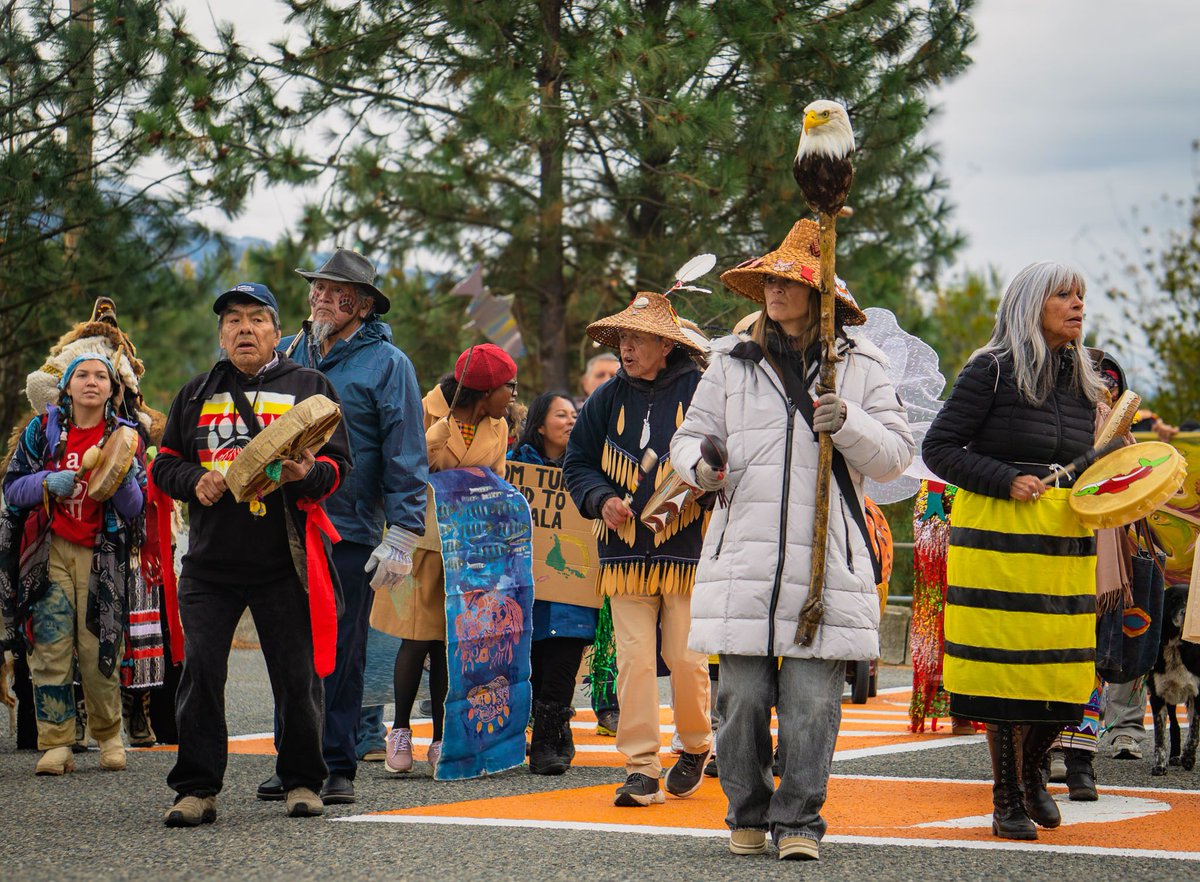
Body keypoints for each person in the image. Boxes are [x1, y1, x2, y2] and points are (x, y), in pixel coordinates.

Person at [671, 219, 914, 860]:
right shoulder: (729, 360)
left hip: (827, 564)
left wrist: (849, 420)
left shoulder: (862, 364)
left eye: (789, 282)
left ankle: (800, 822)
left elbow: (895, 457)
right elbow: (688, 439)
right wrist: (701, 467)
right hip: (741, 558)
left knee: (811, 705)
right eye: (769, 282)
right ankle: (747, 813)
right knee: (742, 699)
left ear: (820, 293)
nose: (774, 292)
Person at [152, 283, 352, 826]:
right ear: (221, 334)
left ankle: (303, 781)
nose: (244, 328)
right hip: (210, 565)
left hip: (282, 562)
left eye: (257, 319)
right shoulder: (195, 392)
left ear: (276, 332)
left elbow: (338, 466)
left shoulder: (309, 386)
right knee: (200, 674)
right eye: (233, 320)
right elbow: (164, 464)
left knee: (296, 678)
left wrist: (306, 474)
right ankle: (196, 789)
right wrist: (194, 481)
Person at [923, 260, 1104, 841]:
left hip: (1062, 542)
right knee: (1003, 672)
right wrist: (1006, 479)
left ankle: (1031, 773)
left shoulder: (1086, 379)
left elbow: (1084, 465)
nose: (1077, 304)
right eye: (1063, 295)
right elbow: (939, 449)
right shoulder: (991, 369)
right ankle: (1006, 797)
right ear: (1031, 304)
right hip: (997, 538)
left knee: (1064, 671)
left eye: (1080, 295)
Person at [254, 248, 428, 806]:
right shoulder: (285, 353)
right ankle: (292, 763)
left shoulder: (389, 364)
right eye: (318, 288)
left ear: (363, 305)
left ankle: (335, 765)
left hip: (348, 528)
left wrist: (403, 533)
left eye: (336, 291)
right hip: (282, 525)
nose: (321, 298)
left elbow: (405, 452)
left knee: (341, 652)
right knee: (288, 650)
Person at [564, 291, 712, 808]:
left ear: (666, 345)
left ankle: (695, 745)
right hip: (623, 553)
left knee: (685, 657)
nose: (626, 349)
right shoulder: (605, 399)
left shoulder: (701, 391)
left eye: (638, 339)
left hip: (686, 547)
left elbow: (726, 455)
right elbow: (578, 462)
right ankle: (641, 768)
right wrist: (600, 499)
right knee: (633, 662)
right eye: (623, 339)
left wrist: (703, 481)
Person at [2, 355, 147, 776]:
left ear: (111, 389)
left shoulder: (124, 437)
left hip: (100, 555)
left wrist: (119, 478)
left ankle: (109, 736)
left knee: (98, 647)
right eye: (81, 375)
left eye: (101, 376)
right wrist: (46, 482)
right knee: (49, 647)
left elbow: (135, 507)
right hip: (49, 551)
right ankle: (56, 743)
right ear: (66, 386)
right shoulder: (42, 431)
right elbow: (13, 488)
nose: (91, 382)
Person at [384, 343, 517, 775]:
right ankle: (400, 729)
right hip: (423, 541)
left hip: (468, 547)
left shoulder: (498, 425)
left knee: (451, 642)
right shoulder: (425, 412)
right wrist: (440, 431)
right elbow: (407, 468)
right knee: (416, 636)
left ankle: (443, 737)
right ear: (485, 390)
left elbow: (497, 481)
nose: (513, 395)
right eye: (508, 386)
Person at [509, 391, 593, 775]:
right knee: (538, 660)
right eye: (561, 415)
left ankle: (546, 738)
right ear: (540, 425)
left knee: (565, 653)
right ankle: (555, 729)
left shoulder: (589, 466)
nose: (571, 421)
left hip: (574, 587)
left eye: (574, 414)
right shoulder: (515, 467)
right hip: (529, 585)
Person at [578, 352, 623, 738]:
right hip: (581, 545)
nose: (608, 378)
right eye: (600, 373)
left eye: (614, 373)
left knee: (614, 629)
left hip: (620, 542)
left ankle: (611, 705)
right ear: (585, 381)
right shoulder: (579, 419)